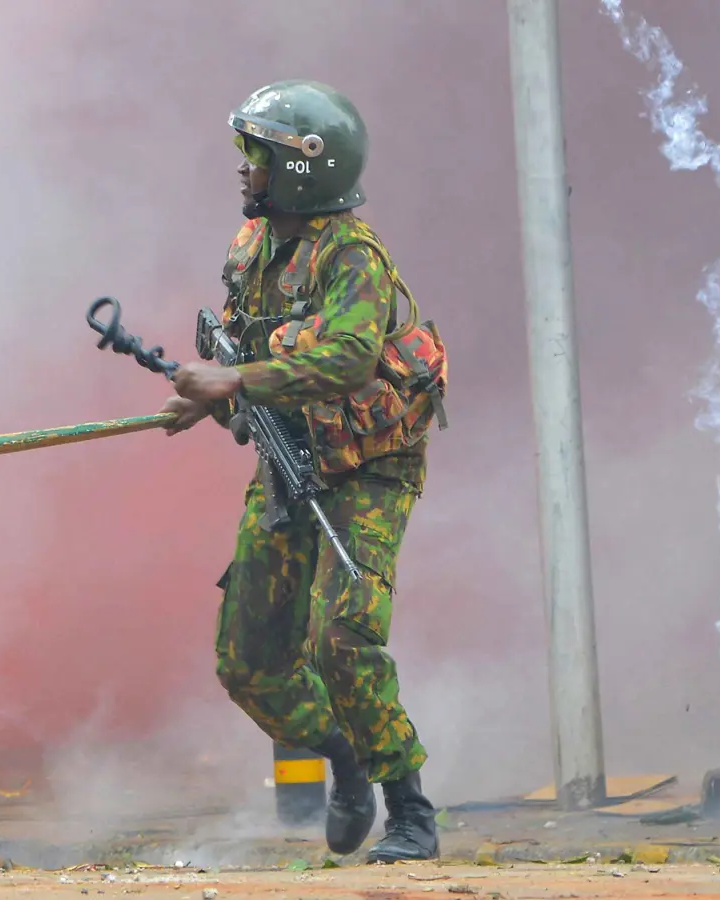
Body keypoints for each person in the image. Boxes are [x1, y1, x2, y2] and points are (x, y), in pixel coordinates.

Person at [159, 79, 449, 864]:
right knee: (247, 662)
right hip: (289, 460)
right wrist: (212, 400)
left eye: (257, 154)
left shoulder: (353, 256)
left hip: (367, 470)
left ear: (301, 169)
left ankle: (410, 809)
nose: (243, 167)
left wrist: (237, 383)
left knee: (342, 637)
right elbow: (247, 353)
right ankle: (346, 754)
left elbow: (352, 357)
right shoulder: (250, 247)